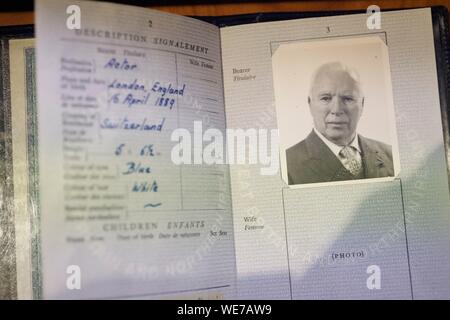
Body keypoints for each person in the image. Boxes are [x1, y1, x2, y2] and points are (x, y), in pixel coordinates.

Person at [286, 62, 394, 185]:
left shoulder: (389, 154)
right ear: (310, 103)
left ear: (362, 104)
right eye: (325, 98)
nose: (336, 110)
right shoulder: (287, 165)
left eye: (348, 98)